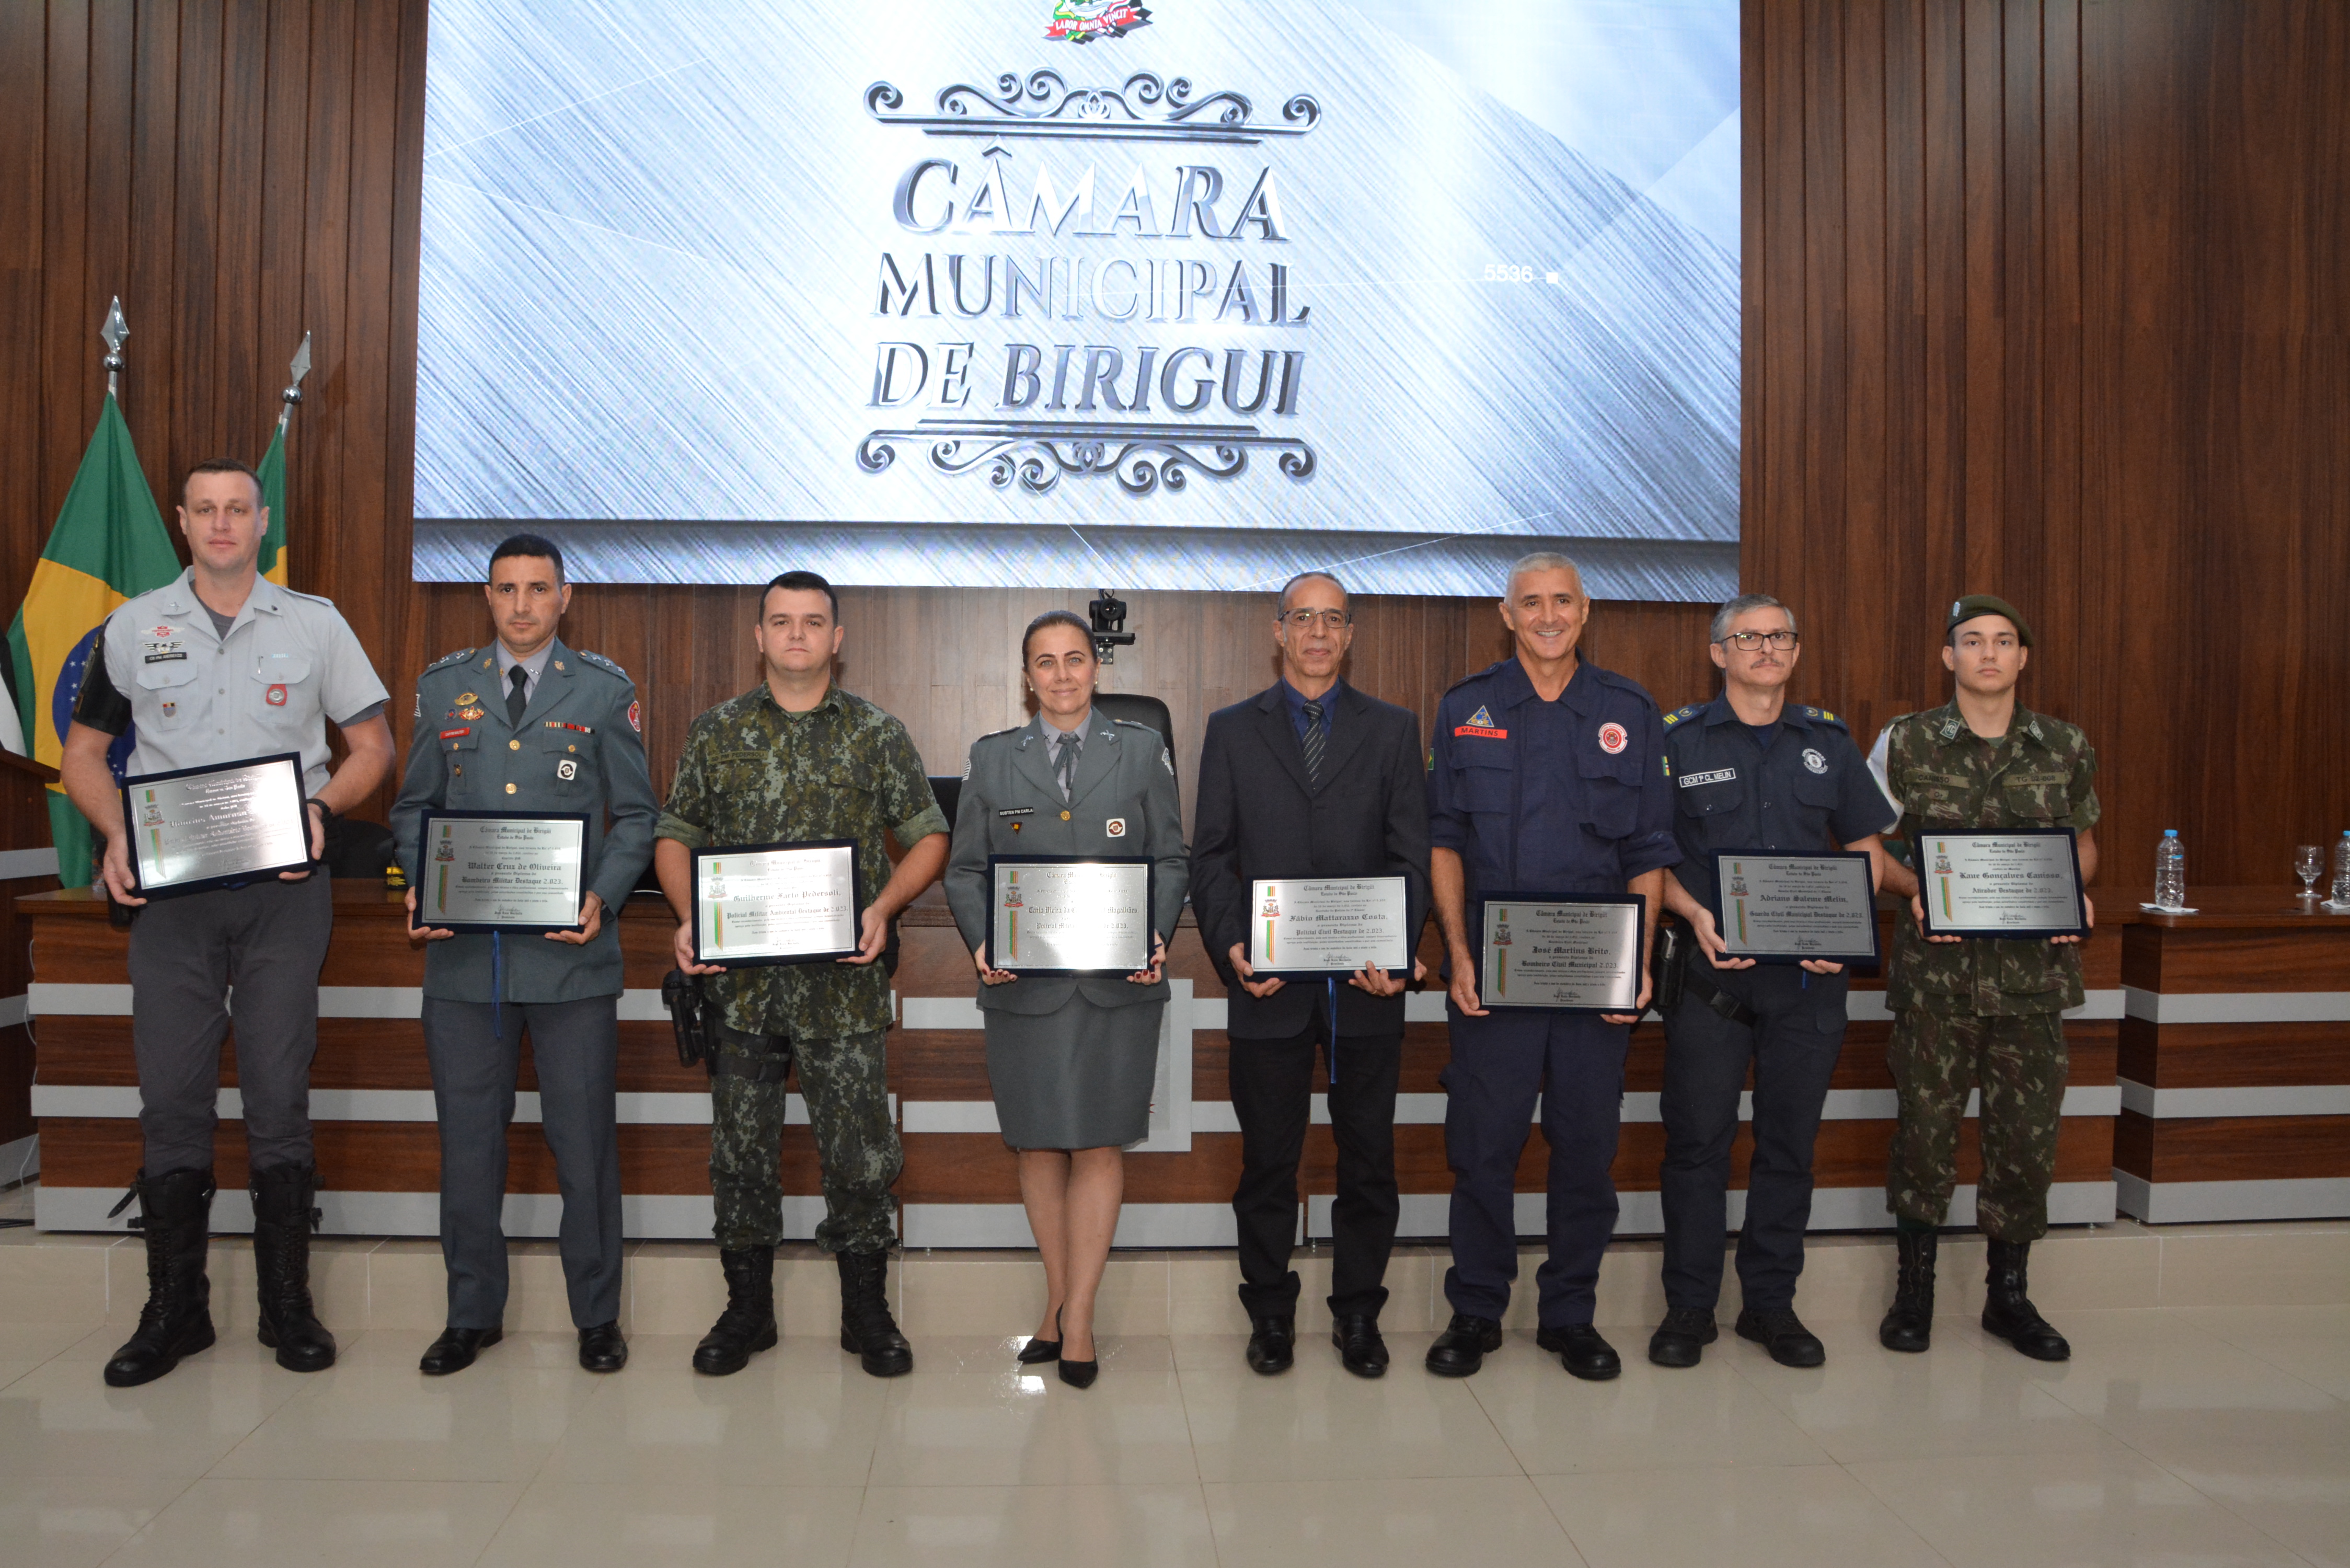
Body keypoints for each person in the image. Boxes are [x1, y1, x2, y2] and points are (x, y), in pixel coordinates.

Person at [59, 456, 395, 1386]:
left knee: (280, 1096)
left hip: (286, 892)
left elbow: (370, 746)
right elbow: (84, 755)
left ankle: (289, 1304)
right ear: (181, 521)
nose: (220, 523)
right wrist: (118, 832)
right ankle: (176, 1310)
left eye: (236, 509)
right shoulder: (132, 628)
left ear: (261, 519)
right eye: (204, 509)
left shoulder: (315, 626)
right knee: (171, 1099)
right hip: (171, 900)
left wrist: (325, 813)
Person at [656, 571, 946, 1378]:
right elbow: (675, 835)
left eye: (812, 623)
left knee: (860, 1156)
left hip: (841, 992)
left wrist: (884, 906)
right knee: (740, 1154)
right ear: (758, 636)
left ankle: (867, 1312)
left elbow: (928, 836)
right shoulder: (716, 733)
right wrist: (689, 916)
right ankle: (748, 1310)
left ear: (837, 639)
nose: (795, 636)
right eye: (780, 622)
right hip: (741, 992)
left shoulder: (876, 734)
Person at [389, 535, 658, 1376]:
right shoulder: (444, 689)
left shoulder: (605, 692)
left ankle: (597, 1317)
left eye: (538, 590)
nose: (521, 606)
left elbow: (639, 818)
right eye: (506, 589)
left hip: (572, 959)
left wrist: (604, 896)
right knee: (469, 1143)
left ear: (565, 596)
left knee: (584, 1144)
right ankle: (471, 1313)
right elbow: (414, 808)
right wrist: (420, 883)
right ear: (487, 595)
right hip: (468, 966)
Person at [1422, 552, 1677, 1381]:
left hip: (1592, 983)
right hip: (1491, 983)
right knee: (1483, 1150)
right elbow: (1446, 842)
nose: (1547, 615)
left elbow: (1647, 850)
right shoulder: (1466, 710)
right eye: (1531, 602)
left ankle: (1572, 1315)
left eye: (1562, 601)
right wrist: (1457, 953)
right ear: (1506, 614)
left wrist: (1639, 960)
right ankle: (1477, 1309)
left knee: (1585, 1152)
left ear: (1586, 609)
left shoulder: (1629, 711)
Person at [1190, 571, 1429, 1378]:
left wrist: (1397, 955)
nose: (1319, 633)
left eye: (1334, 620)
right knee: (1267, 1163)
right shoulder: (1231, 730)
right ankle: (1270, 1312)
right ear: (1279, 631)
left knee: (1369, 1161)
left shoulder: (1394, 731)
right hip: (1269, 990)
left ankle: (1359, 1313)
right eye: (1304, 619)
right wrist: (1230, 947)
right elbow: (1213, 856)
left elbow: (1410, 855)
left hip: (1366, 993)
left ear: (1350, 634)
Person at [943, 610, 1189, 1389]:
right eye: (1044, 663)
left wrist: (1154, 932)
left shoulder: (1143, 750)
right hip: (1025, 983)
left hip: (1118, 984)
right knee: (1039, 1142)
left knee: (1100, 1143)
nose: (1061, 675)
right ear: (1026, 677)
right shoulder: (992, 759)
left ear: (1095, 669)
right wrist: (983, 940)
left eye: (1075, 660)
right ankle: (1058, 1301)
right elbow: (966, 870)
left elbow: (1172, 858)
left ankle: (1076, 1318)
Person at [1648, 594, 1894, 1370]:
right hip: (1709, 976)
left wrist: (1847, 928)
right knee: (1697, 1146)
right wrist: (1690, 913)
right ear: (1719, 653)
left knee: (1789, 1146)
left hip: (1807, 984)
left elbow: (1863, 844)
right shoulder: (1677, 742)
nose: (1766, 648)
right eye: (1748, 638)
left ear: (1795, 651)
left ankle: (1770, 1306)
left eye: (1780, 637)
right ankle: (1689, 1307)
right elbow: (1648, 852)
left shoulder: (1828, 741)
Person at [1872, 594, 2098, 1362]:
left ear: (2023, 658)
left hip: (2032, 984)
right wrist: (1916, 893)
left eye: (2004, 642)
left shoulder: (2063, 746)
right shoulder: (1905, 743)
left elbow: (2083, 845)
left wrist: (2077, 890)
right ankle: (1915, 1292)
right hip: (1936, 983)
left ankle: (2010, 1297)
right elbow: (1868, 846)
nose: (1990, 654)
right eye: (1973, 641)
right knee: (1924, 1140)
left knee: (2024, 1143)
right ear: (1949, 657)